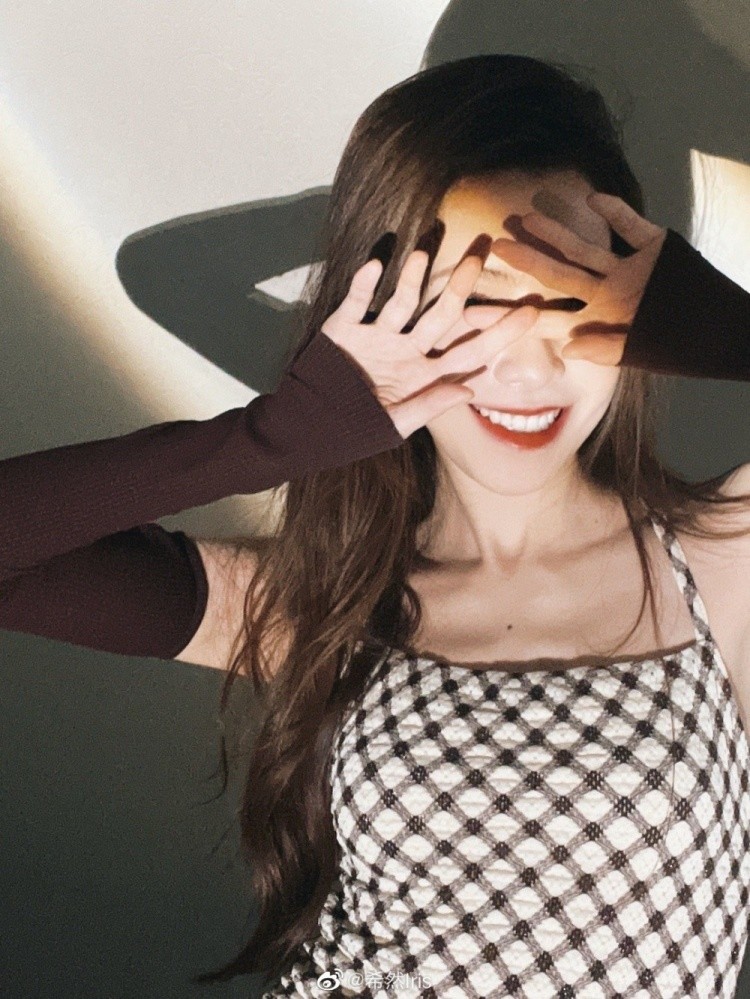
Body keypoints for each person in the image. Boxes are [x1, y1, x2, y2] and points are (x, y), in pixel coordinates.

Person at [2, 54, 750, 998]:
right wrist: (273, 436)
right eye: (471, 308)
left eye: (573, 302)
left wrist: (736, 330)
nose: (528, 368)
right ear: (389, 314)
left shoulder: (725, 558)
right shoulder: (316, 602)